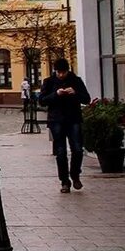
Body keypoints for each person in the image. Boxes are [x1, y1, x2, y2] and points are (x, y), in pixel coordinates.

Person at [38, 58, 90, 193]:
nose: (61, 75)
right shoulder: (49, 82)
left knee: (78, 149)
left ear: (68, 70)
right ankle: (64, 181)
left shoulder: (76, 81)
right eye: (59, 72)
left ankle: (75, 174)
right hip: (56, 120)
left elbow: (86, 99)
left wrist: (75, 93)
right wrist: (56, 94)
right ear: (55, 71)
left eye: (63, 72)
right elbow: (42, 101)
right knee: (60, 152)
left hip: (73, 119)